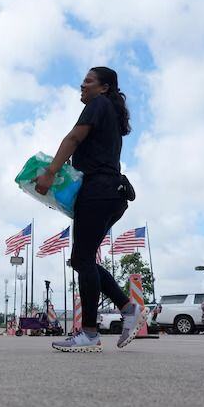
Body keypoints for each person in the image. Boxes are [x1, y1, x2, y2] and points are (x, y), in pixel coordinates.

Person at [35, 67, 144, 353]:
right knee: (84, 259)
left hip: (99, 192)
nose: (82, 84)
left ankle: (90, 334)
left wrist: (49, 172)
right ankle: (128, 309)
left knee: (82, 259)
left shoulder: (98, 105)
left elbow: (73, 139)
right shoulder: (109, 110)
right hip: (112, 194)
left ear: (105, 87)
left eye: (89, 80)